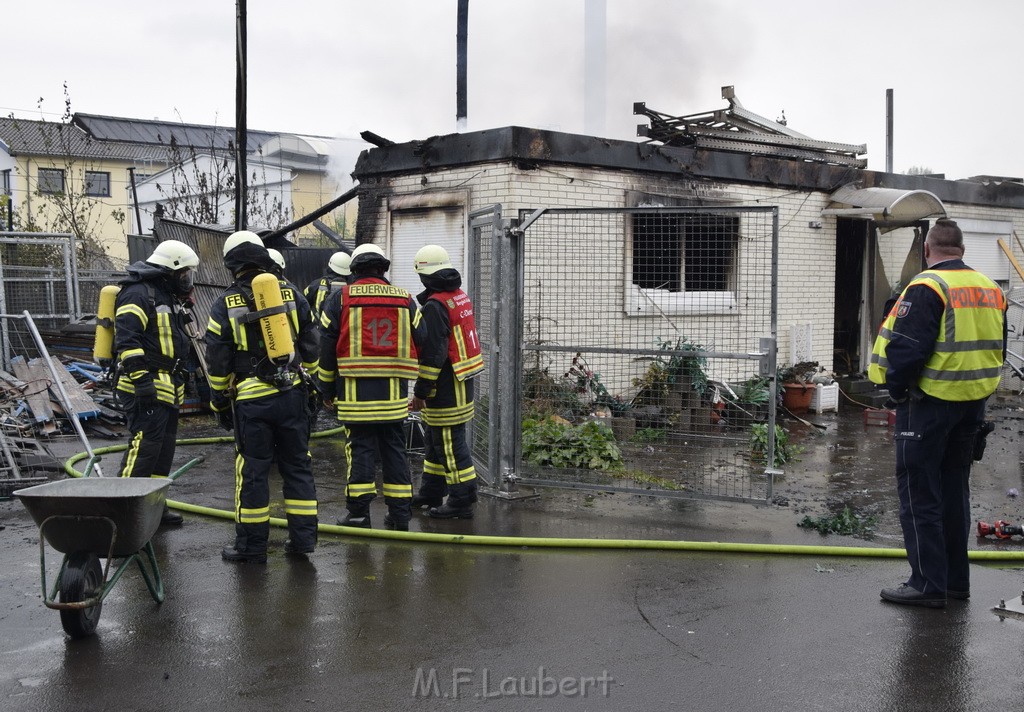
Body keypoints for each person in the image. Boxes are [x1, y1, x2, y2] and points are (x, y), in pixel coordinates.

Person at [868, 218, 1006, 608]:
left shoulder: (928, 286)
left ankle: (927, 584)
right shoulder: (991, 288)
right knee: (953, 490)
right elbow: (999, 343)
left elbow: (907, 348)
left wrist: (896, 392)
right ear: (962, 250)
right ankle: (954, 583)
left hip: (929, 403)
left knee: (918, 492)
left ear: (929, 249)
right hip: (972, 404)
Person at [205, 230, 321, 563]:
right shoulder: (291, 292)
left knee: (253, 470)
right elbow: (311, 342)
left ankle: (252, 547)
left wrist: (218, 401)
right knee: (298, 465)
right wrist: (311, 380)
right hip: (292, 393)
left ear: (232, 265)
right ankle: (303, 541)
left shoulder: (224, 302)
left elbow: (218, 358)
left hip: (251, 399)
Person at [317, 243, 420, 531]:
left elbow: (326, 349)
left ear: (355, 270)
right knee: (395, 450)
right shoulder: (405, 299)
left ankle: (359, 514)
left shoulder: (341, 298)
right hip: (393, 395)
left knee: (360, 449)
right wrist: (422, 386)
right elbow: (423, 338)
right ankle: (400, 515)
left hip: (354, 395)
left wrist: (326, 389)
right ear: (382, 268)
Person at [113, 239, 200, 526]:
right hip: (146, 386)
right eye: (184, 274)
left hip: (168, 387)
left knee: (163, 453)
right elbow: (127, 342)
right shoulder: (137, 294)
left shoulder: (166, 296)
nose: (187, 280)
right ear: (169, 270)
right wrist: (142, 383)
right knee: (144, 449)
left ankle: (153, 508)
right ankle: (122, 514)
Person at [408, 245, 484, 519]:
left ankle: (461, 501)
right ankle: (431, 490)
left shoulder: (435, 305)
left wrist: (421, 391)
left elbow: (433, 355)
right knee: (435, 440)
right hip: (461, 381)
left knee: (450, 444)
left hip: (445, 386)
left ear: (423, 275)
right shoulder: (457, 296)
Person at [303, 251, 351, 326]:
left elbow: (303, 301)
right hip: (341, 329)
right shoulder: (350, 288)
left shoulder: (316, 284)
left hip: (317, 329)